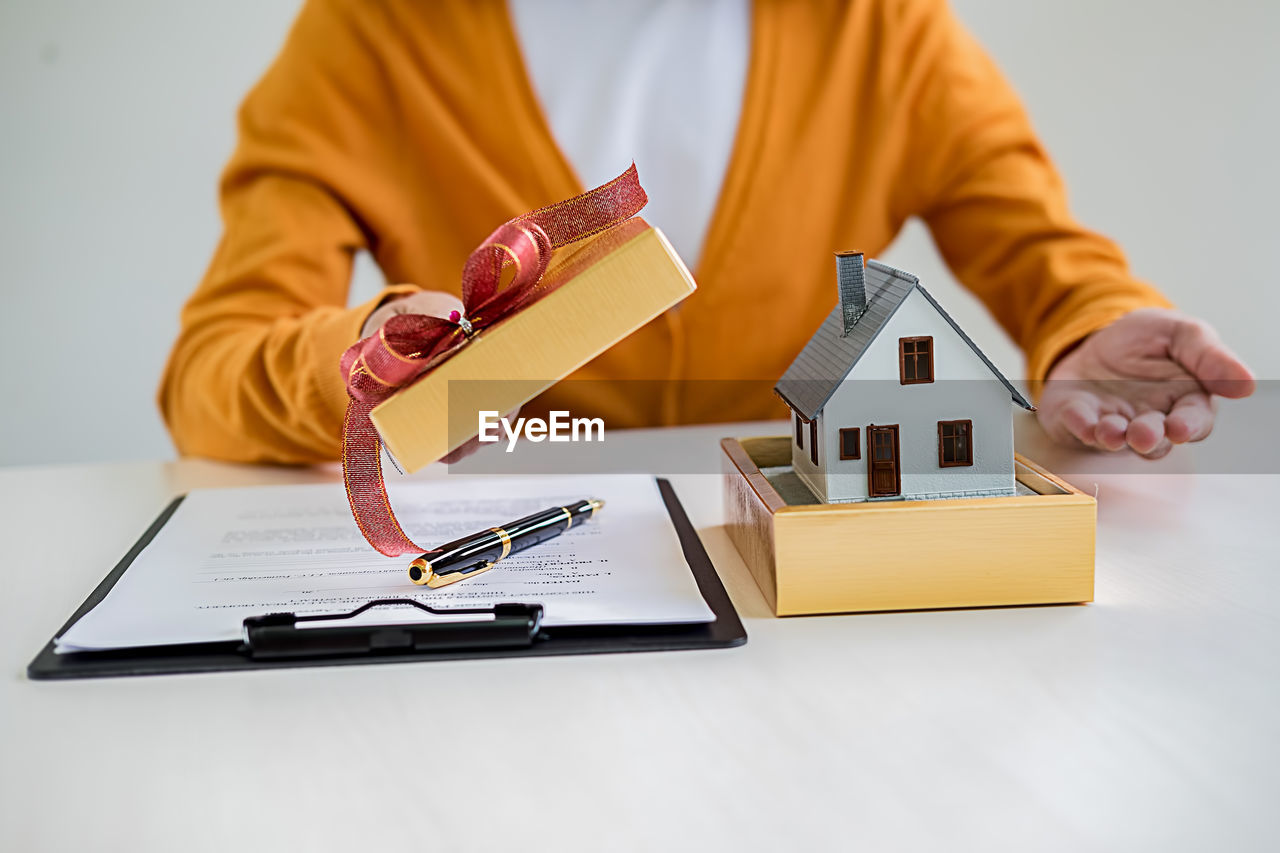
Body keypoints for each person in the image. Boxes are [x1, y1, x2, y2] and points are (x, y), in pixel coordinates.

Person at [159, 0, 1254, 465]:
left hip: (784, 586)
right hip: (499, 585)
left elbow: (1040, 252)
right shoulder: (368, 34)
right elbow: (207, 374)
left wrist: (1085, 334)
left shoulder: (878, 28)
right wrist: (361, 363)